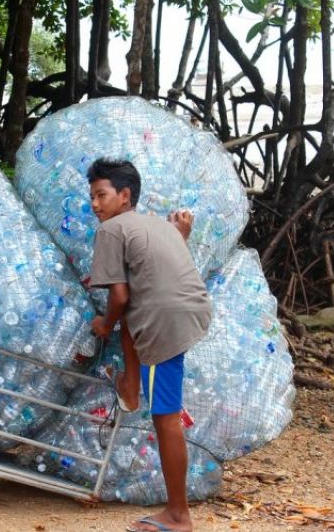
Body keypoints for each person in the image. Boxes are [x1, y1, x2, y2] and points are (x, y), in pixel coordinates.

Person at [87, 158, 212, 532]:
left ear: (125, 197)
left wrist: (103, 325)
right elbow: (153, 265)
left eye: (101, 195)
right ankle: (130, 381)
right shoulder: (157, 224)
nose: (95, 204)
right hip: (192, 309)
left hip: (164, 321)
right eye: (91, 197)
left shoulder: (110, 231)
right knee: (131, 316)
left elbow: (120, 298)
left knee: (165, 417)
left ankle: (178, 516)